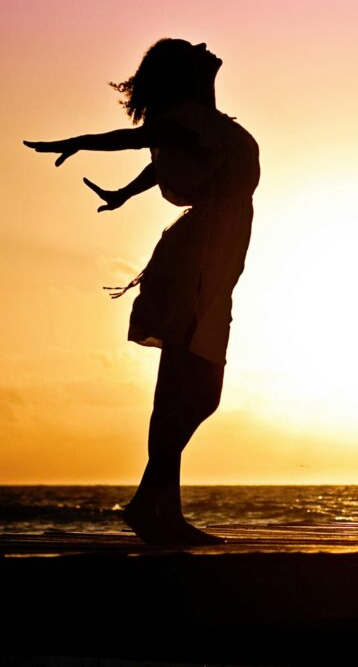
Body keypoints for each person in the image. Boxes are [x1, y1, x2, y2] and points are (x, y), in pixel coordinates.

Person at [24, 38, 260, 545]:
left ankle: (152, 507)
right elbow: (136, 141)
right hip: (196, 262)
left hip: (211, 261)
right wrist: (80, 142)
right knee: (190, 390)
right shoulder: (188, 118)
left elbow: (163, 161)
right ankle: (156, 509)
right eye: (193, 49)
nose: (204, 45)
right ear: (186, 73)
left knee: (191, 391)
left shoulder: (206, 123)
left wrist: (124, 193)